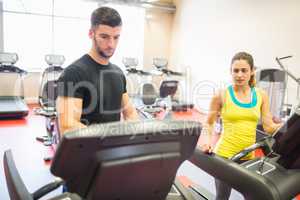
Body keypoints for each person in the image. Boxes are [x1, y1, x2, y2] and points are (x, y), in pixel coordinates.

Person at [201, 52, 282, 200]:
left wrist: (290, 125)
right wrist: (207, 142)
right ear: (230, 71)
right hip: (224, 156)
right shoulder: (221, 95)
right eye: (235, 70)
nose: (239, 75)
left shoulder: (261, 95)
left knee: (251, 196)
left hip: (249, 156)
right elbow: (209, 122)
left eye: (244, 70)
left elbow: (269, 126)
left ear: (252, 71)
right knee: (222, 197)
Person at [56, 6, 139, 135]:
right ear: (91, 33)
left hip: (112, 151)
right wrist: (109, 137)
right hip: (86, 153)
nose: (111, 44)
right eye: (104, 37)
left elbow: (131, 113)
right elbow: (68, 126)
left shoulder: (118, 73)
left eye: (116, 37)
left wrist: (132, 135)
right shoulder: (73, 73)